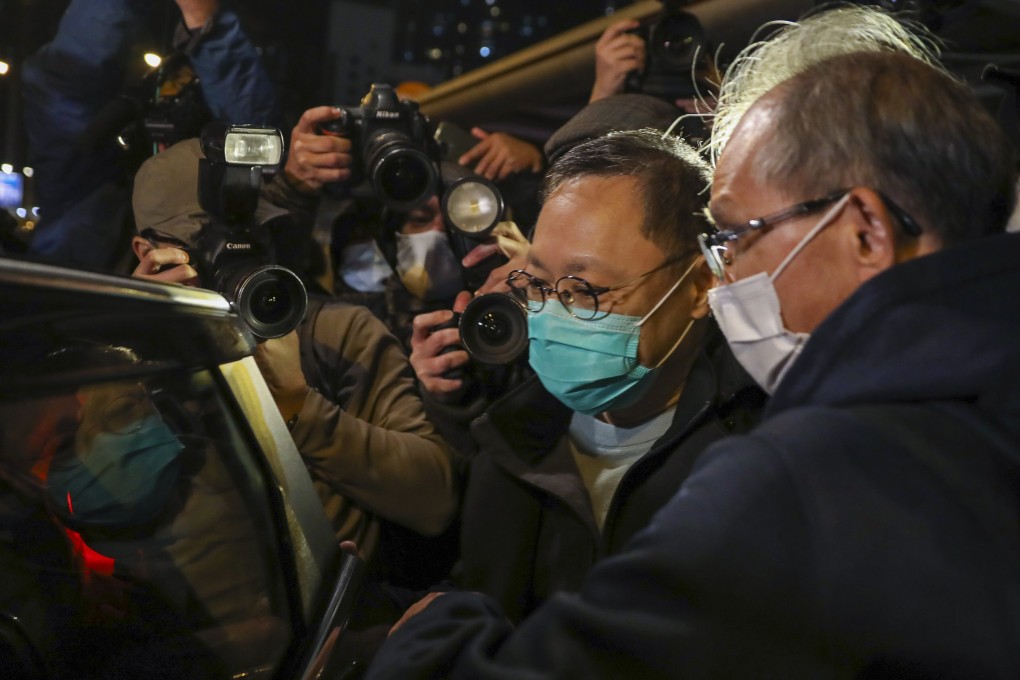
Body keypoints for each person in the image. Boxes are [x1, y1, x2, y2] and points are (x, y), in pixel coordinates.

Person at [364, 9, 1020, 679]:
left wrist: (430, 635)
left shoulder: (803, 478)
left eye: (739, 235)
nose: (727, 274)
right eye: (539, 284)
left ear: (863, 233)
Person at [130, 137, 458, 577]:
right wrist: (146, 353)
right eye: (204, 241)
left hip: (332, 617)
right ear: (146, 252)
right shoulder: (128, 351)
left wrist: (300, 407)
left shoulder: (336, 332)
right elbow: (102, 501)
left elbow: (433, 498)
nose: (232, 255)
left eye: (248, 234)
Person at [21, 0, 280, 271]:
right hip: (82, 300)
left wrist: (207, 27)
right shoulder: (86, 182)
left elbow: (261, 137)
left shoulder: (244, 206)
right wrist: (208, 30)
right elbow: (65, 88)